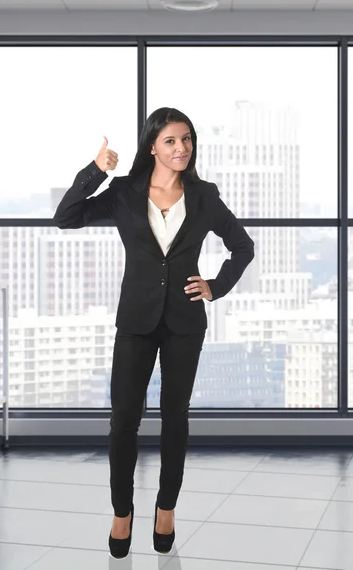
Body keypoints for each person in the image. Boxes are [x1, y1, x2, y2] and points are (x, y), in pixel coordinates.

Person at [53, 107, 255, 559]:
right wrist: (95, 171)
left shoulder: (204, 196)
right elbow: (66, 217)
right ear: (152, 146)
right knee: (123, 420)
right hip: (136, 322)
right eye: (170, 141)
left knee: (174, 419)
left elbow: (243, 246)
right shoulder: (125, 192)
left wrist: (215, 286)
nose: (181, 148)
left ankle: (166, 509)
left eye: (186, 140)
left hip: (184, 323)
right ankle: (122, 512)